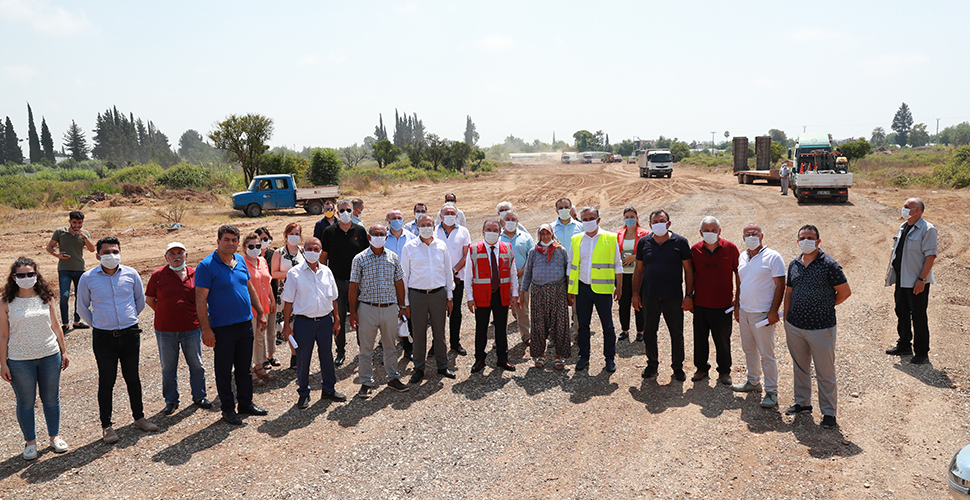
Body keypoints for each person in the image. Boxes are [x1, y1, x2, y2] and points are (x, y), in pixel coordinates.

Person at [78, 237, 157, 442]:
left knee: (133, 378)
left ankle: (139, 418)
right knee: (107, 381)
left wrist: (126, 318)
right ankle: (107, 426)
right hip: (104, 338)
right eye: (106, 252)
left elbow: (139, 301)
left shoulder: (131, 274)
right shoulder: (88, 278)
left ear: (120, 253)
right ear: (97, 255)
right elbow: (82, 307)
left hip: (130, 334)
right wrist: (99, 323)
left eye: (115, 251)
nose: (111, 255)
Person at [195, 225, 268, 425]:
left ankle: (245, 403)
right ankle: (228, 409)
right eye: (226, 239)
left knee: (244, 368)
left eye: (234, 240)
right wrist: (206, 329)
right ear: (218, 241)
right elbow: (200, 300)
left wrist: (260, 312)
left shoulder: (241, 260)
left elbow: (249, 286)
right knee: (224, 370)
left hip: (245, 323)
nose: (230, 243)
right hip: (223, 327)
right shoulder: (207, 265)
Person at [0, 258, 69, 460]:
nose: (26, 278)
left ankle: (54, 436)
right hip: (19, 359)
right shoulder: (5, 301)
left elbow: (56, 326)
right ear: (14, 278)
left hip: (49, 355)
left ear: (36, 275)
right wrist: (3, 363)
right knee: (25, 402)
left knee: (51, 399)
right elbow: (3, 335)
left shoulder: (46, 297)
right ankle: (30, 442)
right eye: (21, 275)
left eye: (30, 274)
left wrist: (63, 352)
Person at [783, 225, 851, 429]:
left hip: (821, 328)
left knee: (825, 372)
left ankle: (829, 413)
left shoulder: (829, 265)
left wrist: (826, 305)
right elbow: (788, 293)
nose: (806, 241)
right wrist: (787, 319)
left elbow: (845, 292)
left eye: (810, 237)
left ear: (818, 241)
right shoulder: (794, 264)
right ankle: (802, 403)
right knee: (800, 367)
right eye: (802, 237)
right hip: (795, 326)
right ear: (797, 241)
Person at [145, 242, 210, 416]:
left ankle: (199, 396)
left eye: (180, 252)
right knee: (168, 367)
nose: (176, 256)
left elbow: (202, 300)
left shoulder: (196, 274)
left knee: (196, 365)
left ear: (186, 255)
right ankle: (171, 400)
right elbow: (150, 299)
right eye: (172, 253)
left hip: (191, 328)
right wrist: (165, 312)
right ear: (166, 257)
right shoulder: (158, 275)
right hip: (165, 330)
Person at [281, 237, 347, 408]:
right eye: (309, 248)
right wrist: (287, 324)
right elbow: (288, 301)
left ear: (320, 251)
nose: (312, 251)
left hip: (325, 321)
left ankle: (329, 389)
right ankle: (303, 393)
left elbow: (333, 298)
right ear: (304, 251)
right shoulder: (294, 273)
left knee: (327, 356)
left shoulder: (327, 271)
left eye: (316, 249)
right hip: (304, 323)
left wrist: (337, 319)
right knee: (303, 358)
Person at [632, 210, 693, 381]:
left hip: (673, 296)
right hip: (649, 295)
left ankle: (678, 366)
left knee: (676, 332)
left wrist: (689, 295)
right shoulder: (643, 242)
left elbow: (688, 270)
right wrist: (635, 295)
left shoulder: (680, 242)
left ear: (669, 223)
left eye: (662, 220)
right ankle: (652, 364)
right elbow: (638, 270)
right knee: (650, 331)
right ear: (650, 225)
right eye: (655, 221)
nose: (659, 223)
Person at [349, 224, 409, 397]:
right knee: (366, 349)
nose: (379, 236)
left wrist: (403, 306)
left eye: (382, 234)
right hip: (367, 308)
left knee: (390, 347)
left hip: (390, 308)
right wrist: (353, 312)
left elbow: (399, 283)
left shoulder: (393, 257)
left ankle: (393, 378)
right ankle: (366, 382)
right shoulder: (359, 259)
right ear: (369, 237)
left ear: (386, 237)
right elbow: (353, 287)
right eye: (375, 234)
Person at [733, 223, 786, 409]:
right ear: (743, 237)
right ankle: (753, 382)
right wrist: (737, 305)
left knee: (767, 354)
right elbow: (741, 283)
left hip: (763, 314)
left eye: (754, 233)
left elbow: (780, 285)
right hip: (745, 312)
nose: (751, 236)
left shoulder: (773, 257)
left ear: (762, 236)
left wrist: (773, 311)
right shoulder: (742, 256)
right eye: (747, 234)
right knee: (749, 349)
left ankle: (771, 391)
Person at [401, 214, 457, 383]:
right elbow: (404, 276)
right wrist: (406, 303)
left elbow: (448, 272)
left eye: (429, 224)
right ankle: (419, 368)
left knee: (439, 332)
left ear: (434, 227)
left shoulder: (441, 246)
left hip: (438, 294)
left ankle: (442, 365)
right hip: (417, 295)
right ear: (417, 228)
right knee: (418, 333)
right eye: (422, 224)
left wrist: (449, 297)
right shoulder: (409, 247)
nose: (426, 227)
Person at [568, 207, 622, 372]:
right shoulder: (576, 239)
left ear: (598, 220)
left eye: (591, 218)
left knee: (608, 326)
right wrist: (570, 290)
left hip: (603, 289)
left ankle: (609, 359)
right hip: (582, 289)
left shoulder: (611, 238)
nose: (588, 221)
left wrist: (619, 287)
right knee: (583, 325)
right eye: (585, 219)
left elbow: (617, 264)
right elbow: (571, 266)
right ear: (581, 221)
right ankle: (584, 357)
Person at [885, 198, 937, 364]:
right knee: (901, 312)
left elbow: (930, 256)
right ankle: (904, 345)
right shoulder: (903, 227)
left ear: (918, 211)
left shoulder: (927, 229)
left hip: (916, 281)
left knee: (918, 316)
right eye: (904, 206)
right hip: (902, 278)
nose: (904, 209)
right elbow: (895, 252)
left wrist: (922, 279)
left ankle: (922, 352)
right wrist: (889, 273)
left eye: (908, 207)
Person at [689, 216, 740, 385]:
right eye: (706, 231)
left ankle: (724, 371)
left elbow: (739, 274)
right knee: (700, 338)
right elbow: (690, 274)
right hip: (700, 304)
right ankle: (701, 368)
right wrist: (689, 296)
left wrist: (738, 299)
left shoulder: (731, 248)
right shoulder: (694, 250)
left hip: (723, 305)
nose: (710, 233)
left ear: (720, 231)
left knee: (723, 340)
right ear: (700, 232)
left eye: (713, 230)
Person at [466, 218, 519, 373]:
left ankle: (503, 358)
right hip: (481, 296)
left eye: (495, 230)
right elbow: (468, 276)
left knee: (501, 328)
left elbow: (513, 273)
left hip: (501, 295)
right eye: (488, 230)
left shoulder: (507, 248)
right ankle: (479, 359)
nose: (492, 233)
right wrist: (469, 297)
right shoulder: (473, 249)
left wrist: (514, 293)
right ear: (483, 232)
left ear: (500, 232)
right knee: (481, 328)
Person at [321, 199, 369, 367]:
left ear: (353, 211)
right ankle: (340, 351)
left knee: (361, 317)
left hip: (358, 284)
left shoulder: (361, 231)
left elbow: (367, 257)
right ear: (336, 212)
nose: (345, 213)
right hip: (337, 283)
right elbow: (323, 258)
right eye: (342, 210)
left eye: (348, 210)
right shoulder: (329, 231)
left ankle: (363, 349)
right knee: (338, 318)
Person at [520, 224, 569, 370]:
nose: (545, 237)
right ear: (539, 236)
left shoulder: (561, 251)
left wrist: (570, 293)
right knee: (539, 324)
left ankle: (559, 356)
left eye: (548, 234)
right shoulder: (533, 252)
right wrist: (522, 293)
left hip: (558, 291)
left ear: (552, 235)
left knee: (560, 323)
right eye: (542, 234)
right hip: (538, 292)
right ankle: (540, 354)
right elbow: (527, 273)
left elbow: (567, 272)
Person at [46, 210, 95, 333]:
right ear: (69, 221)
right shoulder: (60, 232)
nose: (77, 225)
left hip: (80, 269)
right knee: (64, 296)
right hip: (64, 269)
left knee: (80, 296)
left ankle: (77, 322)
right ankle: (65, 324)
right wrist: (57, 255)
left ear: (82, 222)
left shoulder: (85, 233)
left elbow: (92, 249)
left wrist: (83, 236)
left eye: (79, 222)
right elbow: (49, 247)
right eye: (74, 222)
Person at [435, 204, 471, 355]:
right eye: (446, 213)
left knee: (455, 311)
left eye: (452, 213)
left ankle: (455, 343)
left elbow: (466, 254)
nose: (450, 215)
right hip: (437, 279)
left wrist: (453, 270)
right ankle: (436, 344)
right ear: (441, 216)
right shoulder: (433, 230)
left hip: (457, 279)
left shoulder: (463, 231)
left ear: (457, 216)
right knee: (437, 313)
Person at [271, 223, 305, 370]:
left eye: (297, 234)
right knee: (288, 325)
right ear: (286, 235)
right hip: (285, 294)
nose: (294, 236)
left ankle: (302, 353)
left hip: (302, 294)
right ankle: (294, 354)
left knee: (302, 324)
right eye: (292, 233)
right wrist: (291, 273)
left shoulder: (303, 251)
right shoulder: (278, 253)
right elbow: (274, 273)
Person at [243, 232, 274, 387]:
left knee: (260, 338)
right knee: (250, 339)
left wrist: (272, 300)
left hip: (264, 306)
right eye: (251, 246)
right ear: (244, 248)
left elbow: (267, 282)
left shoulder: (262, 261)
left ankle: (259, 365)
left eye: (257, 246)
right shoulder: (241, 262)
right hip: (249, 308)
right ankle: (249, 370)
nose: (255, 249)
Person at [385, 209, 417, 359]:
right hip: (388, 283)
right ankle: (389, 350)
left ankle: (408, 348)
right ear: (388, 221)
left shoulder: (411, 238)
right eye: (393, 218)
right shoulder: (383, 239)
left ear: (404, 220)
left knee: (407, 315)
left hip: (407, 282)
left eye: (399, 217)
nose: (397, 220)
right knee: (390, 317)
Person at [501, 209, 535, 345]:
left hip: (522, 281)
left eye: (513, 219)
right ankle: (500, 338)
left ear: (518, 222)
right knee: (501, 311)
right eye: (507, 219)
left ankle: (526, 335)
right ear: (502, 221)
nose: (510, 222)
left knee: (523, 310)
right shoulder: (498, 238)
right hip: (504, 282)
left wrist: (524, 271)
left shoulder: (526, 238)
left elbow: (532, 257)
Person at [552, 197, 583, 336]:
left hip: (576, 272)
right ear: (556, 210)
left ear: (571, 209)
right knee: (557, 307)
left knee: (577, 307)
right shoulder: (551, 228)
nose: (564, 210)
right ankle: (556, 336)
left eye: (566, 207)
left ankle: (577, 334)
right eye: (561, 207)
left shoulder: (580, 227)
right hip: (557, 273)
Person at [616, 206, 648, 342]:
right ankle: (625, 330)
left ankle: (641, 331)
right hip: (623, 274)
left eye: (632, 217)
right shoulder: (618, 234)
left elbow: (647, 252)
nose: (630, 219)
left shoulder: (644, 233)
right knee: (623, 303)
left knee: (638, 302)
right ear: (624, 219)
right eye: (627, 217)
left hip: (638, 274)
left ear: (637, 218)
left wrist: (634, 257)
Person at [255, 227, 283, 369]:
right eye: (261, 239)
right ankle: (262, 358)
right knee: (260, 330)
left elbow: (275, 278)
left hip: (271, 296)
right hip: (257, 299)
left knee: (272, 328)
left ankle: (271, 355)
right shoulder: (252, 256)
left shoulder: (274, 254)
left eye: (266, 238)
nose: (264, 241)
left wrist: (275, 297)